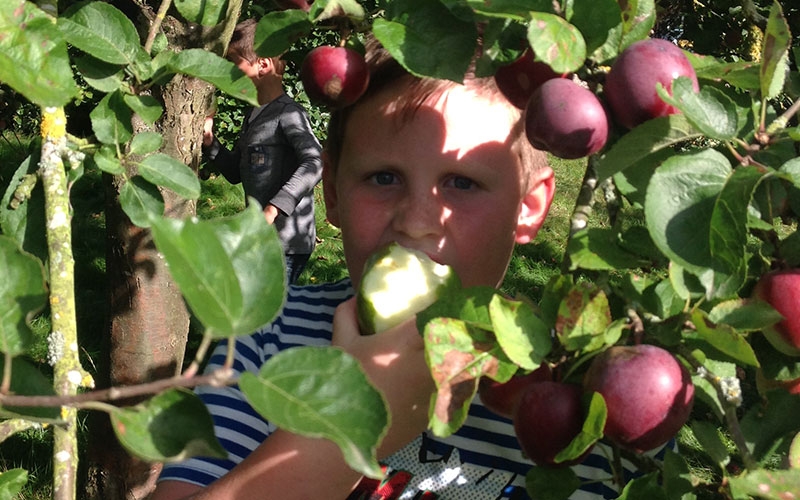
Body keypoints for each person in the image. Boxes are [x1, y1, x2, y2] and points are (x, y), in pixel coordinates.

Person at [152, 37, 643, 500]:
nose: (417, 223)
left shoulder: (583, 400)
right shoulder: (266, 335)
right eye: (383, 178)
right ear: (335, 195)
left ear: (529, 208)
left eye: (463, 184)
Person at [202, 19, 322, 284]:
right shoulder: (253, 114)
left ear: (263, 65)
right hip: (263, 239)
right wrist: (211, 143)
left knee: (272, 314)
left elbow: (315, 160)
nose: (229, 75)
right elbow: (236, 172)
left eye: (234, 66)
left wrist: (273, 209)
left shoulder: (288, 113)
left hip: (286, 241)